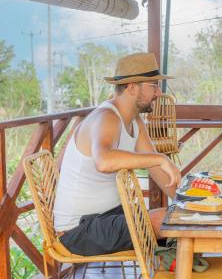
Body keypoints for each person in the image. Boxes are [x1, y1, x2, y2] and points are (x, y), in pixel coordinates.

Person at [53, 52, 181, 256]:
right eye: (153, 86)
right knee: (167, 221)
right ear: (131, 87)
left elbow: (156, 169)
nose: (158, 93)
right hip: (78, 230)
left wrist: (187, 200)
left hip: (108, 217)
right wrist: (160, 158)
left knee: (180, 219)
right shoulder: (107, 117)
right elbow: (103, 161)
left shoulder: (134, 120)